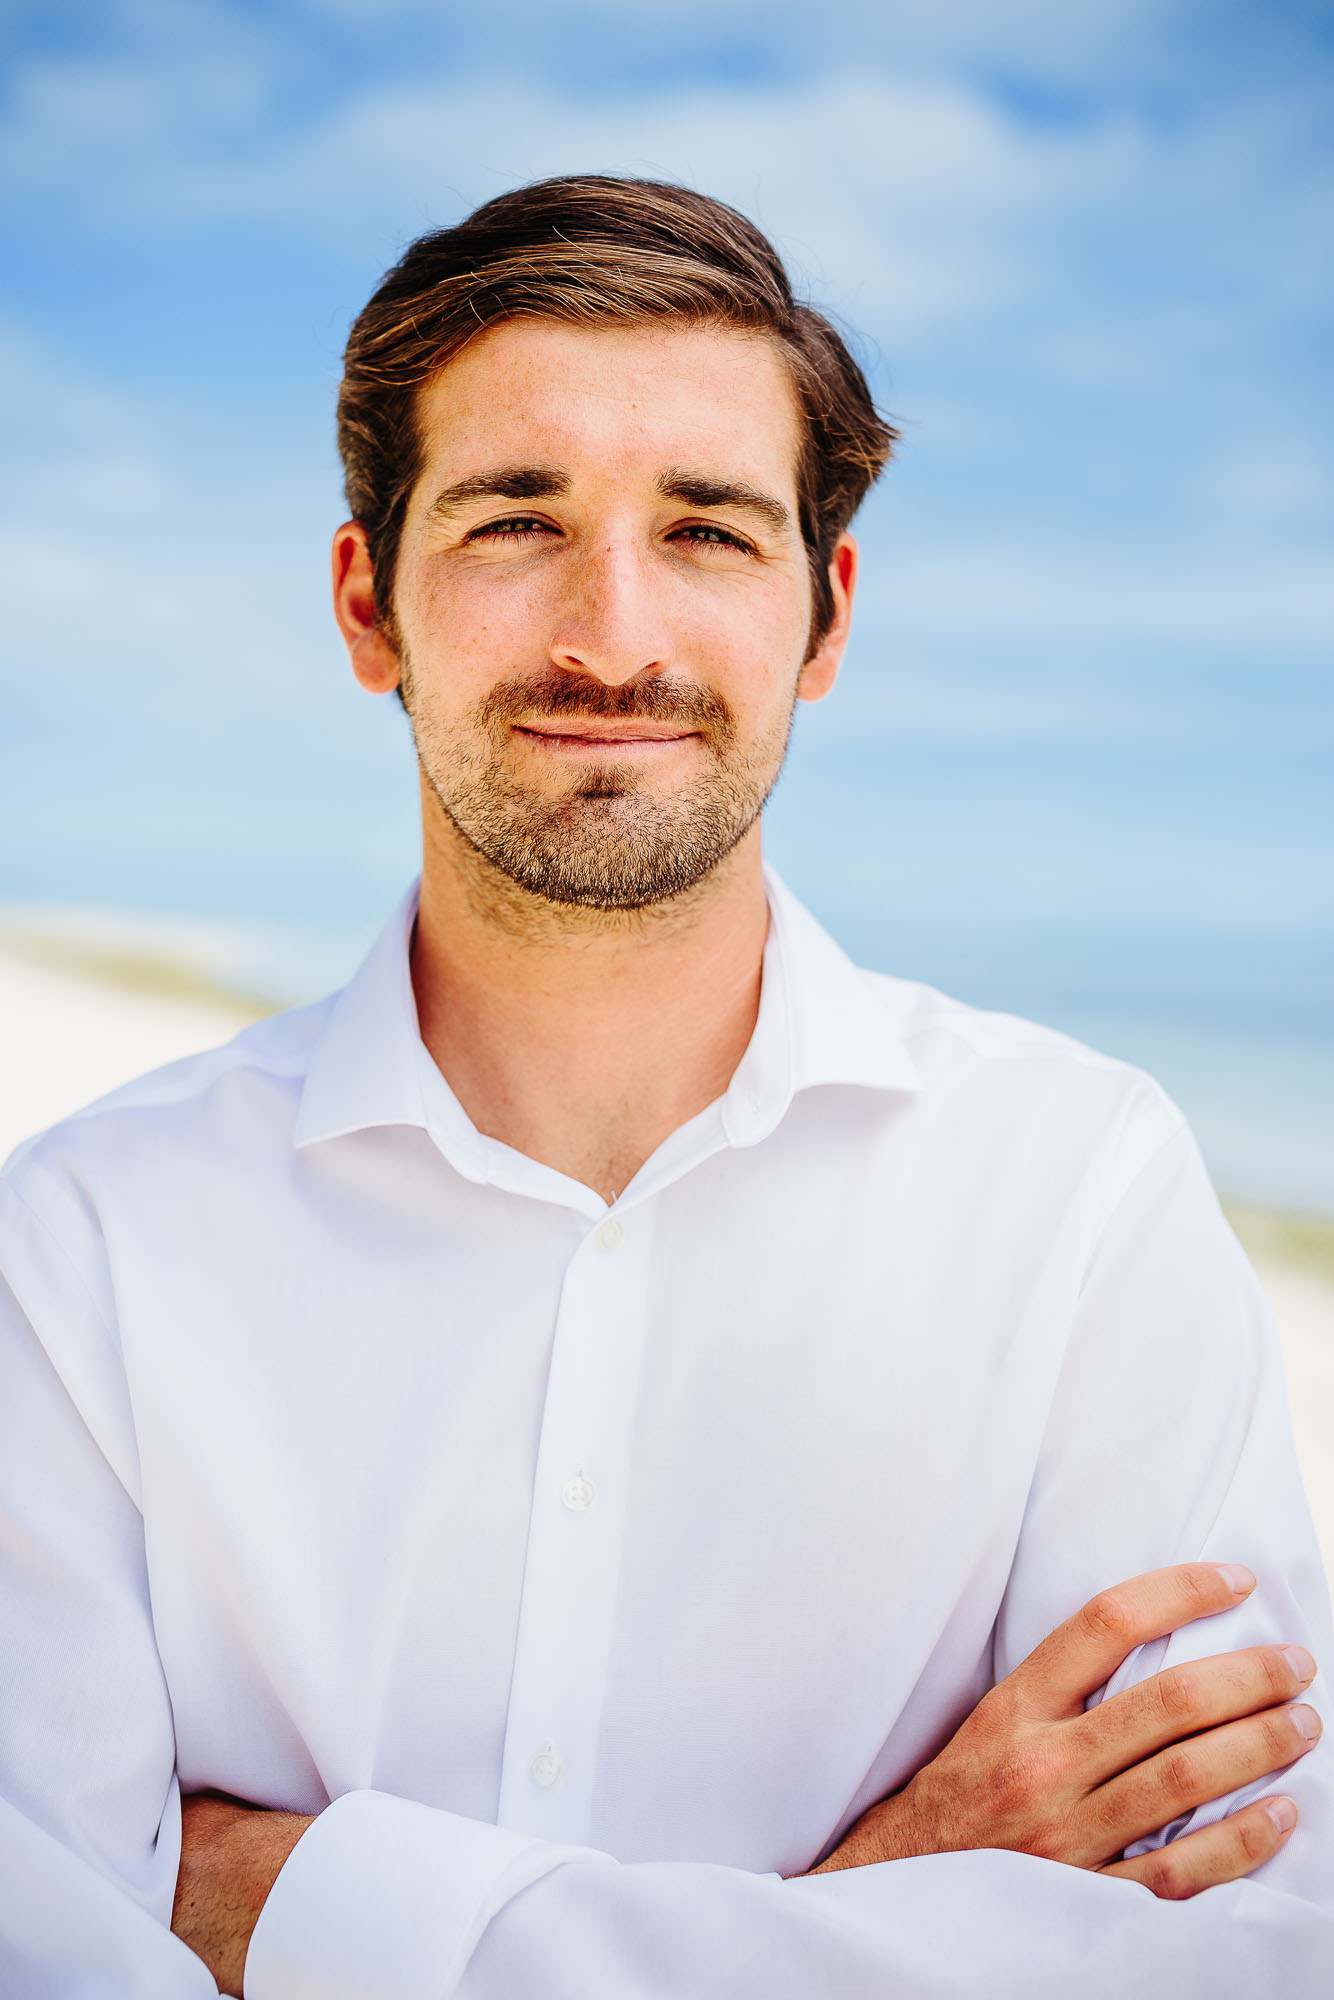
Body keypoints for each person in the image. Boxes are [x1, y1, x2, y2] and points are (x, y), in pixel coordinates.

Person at [1, 175, 1330, 1998]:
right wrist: (902, 1891)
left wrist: (298, 1908)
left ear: (824, 615)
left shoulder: (1082, 1197)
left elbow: (1230, 1955)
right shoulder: (79, 1251)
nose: (610, 634)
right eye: (512, 521)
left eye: (705, 530)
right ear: (367, 605)